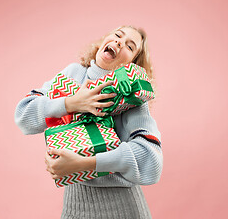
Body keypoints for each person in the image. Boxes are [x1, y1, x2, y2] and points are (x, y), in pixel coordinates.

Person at [15, 25, 163, 219]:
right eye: (118, 35)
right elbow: (24, 116)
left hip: (124, 210)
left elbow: (151, 161)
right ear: (104, 40)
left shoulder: (132, 98)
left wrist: (85, 164)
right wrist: (72, 102)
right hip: (74, 208)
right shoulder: (73, 75)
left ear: (133, 64)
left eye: (130, 46)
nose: (119, 42)